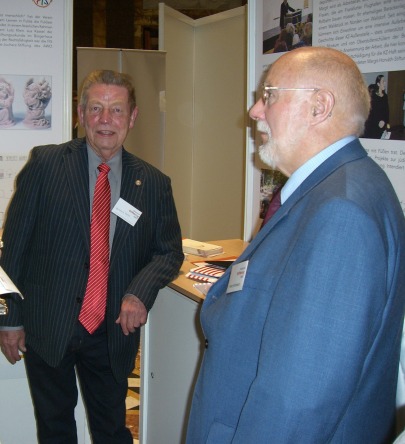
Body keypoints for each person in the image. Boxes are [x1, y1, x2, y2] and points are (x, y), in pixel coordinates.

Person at [186, 47, 405, 443]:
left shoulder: (342, 213)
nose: (254, 110)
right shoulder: (334, 189)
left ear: (319, 107)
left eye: (268, 95)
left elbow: (300, 401)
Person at [0, 69, 183, 443]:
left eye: (116, 110)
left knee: (112, 429)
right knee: (54, 429)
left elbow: (168, 252)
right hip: (49, 324)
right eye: (96, 108)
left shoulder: (152, 183)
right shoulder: (45, 165)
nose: (105, 120)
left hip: (112, 329)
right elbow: (12, 249)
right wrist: (8, 320)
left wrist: (139, 292)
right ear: (80, 115)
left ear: (131, 118)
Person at [363, 74, 390, 139]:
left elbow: (387, 111)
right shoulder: (373, 96)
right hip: (373, 126)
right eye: (383, 81)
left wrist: (384, 121)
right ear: (378, 84)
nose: (385, 83)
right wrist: (378, 122)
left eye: (385, 81)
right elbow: (371, 112)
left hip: (382, 126)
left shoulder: (385, 96)